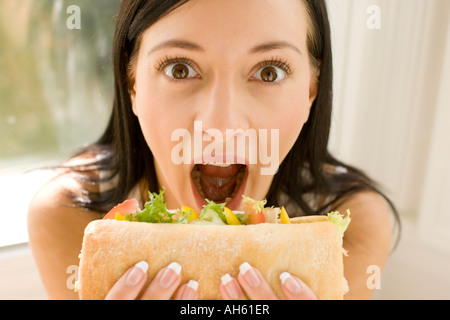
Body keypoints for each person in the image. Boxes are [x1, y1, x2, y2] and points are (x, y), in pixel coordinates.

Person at [28, 0, 399, 300]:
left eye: (269, 71)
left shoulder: (350, 230)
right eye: (179, 69)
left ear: (310, 92)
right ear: (132, 84)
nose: (222, 127)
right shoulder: (70, 219)